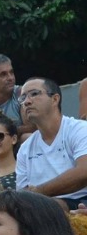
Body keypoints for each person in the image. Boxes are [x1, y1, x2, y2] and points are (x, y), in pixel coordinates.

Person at [15, 77, 87, 207]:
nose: (26, 102)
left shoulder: (80, 129)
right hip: (42, 208)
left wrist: (39, 192)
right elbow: (22, 195)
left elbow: (84, 171)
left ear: (55, 99)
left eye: (34, 94)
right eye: (23, 98)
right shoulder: (25, 148)